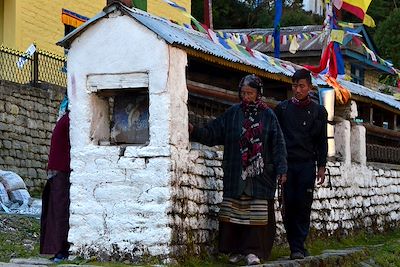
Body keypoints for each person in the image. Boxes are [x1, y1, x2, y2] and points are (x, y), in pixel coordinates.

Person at [189, 74, 287, 265]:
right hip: (236, 172)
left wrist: (282, 169)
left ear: (259, 93)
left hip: (260, 175)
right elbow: (213, 132)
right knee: (234, 213)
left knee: (256, 215)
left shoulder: (268, 116)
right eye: (243, 93)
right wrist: (194, 131)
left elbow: (278, 144)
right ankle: (235, 250)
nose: (246, 97)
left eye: (250, 93)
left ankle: (253, 252)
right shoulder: (232, 113)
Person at [274, 69, 328, 260]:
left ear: (309, 87)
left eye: (301, 86)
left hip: (307, 164)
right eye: (294, 86)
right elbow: (276, 138)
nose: (297, 90)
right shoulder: (282, 109)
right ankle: (294, 246)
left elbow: (322, 140)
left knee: (304, 204)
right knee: (289, 204)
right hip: (287, 164)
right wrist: (279, 166)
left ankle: (300, 243)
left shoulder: (318, 111)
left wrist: (321, 166)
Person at [40, 97, 71, 263]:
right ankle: (56, 248)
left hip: (62, 170)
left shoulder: (70, 119)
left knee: (59, 211)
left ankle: (61, 249)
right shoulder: (66, 119)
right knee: (55, 210)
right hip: (58, 170)